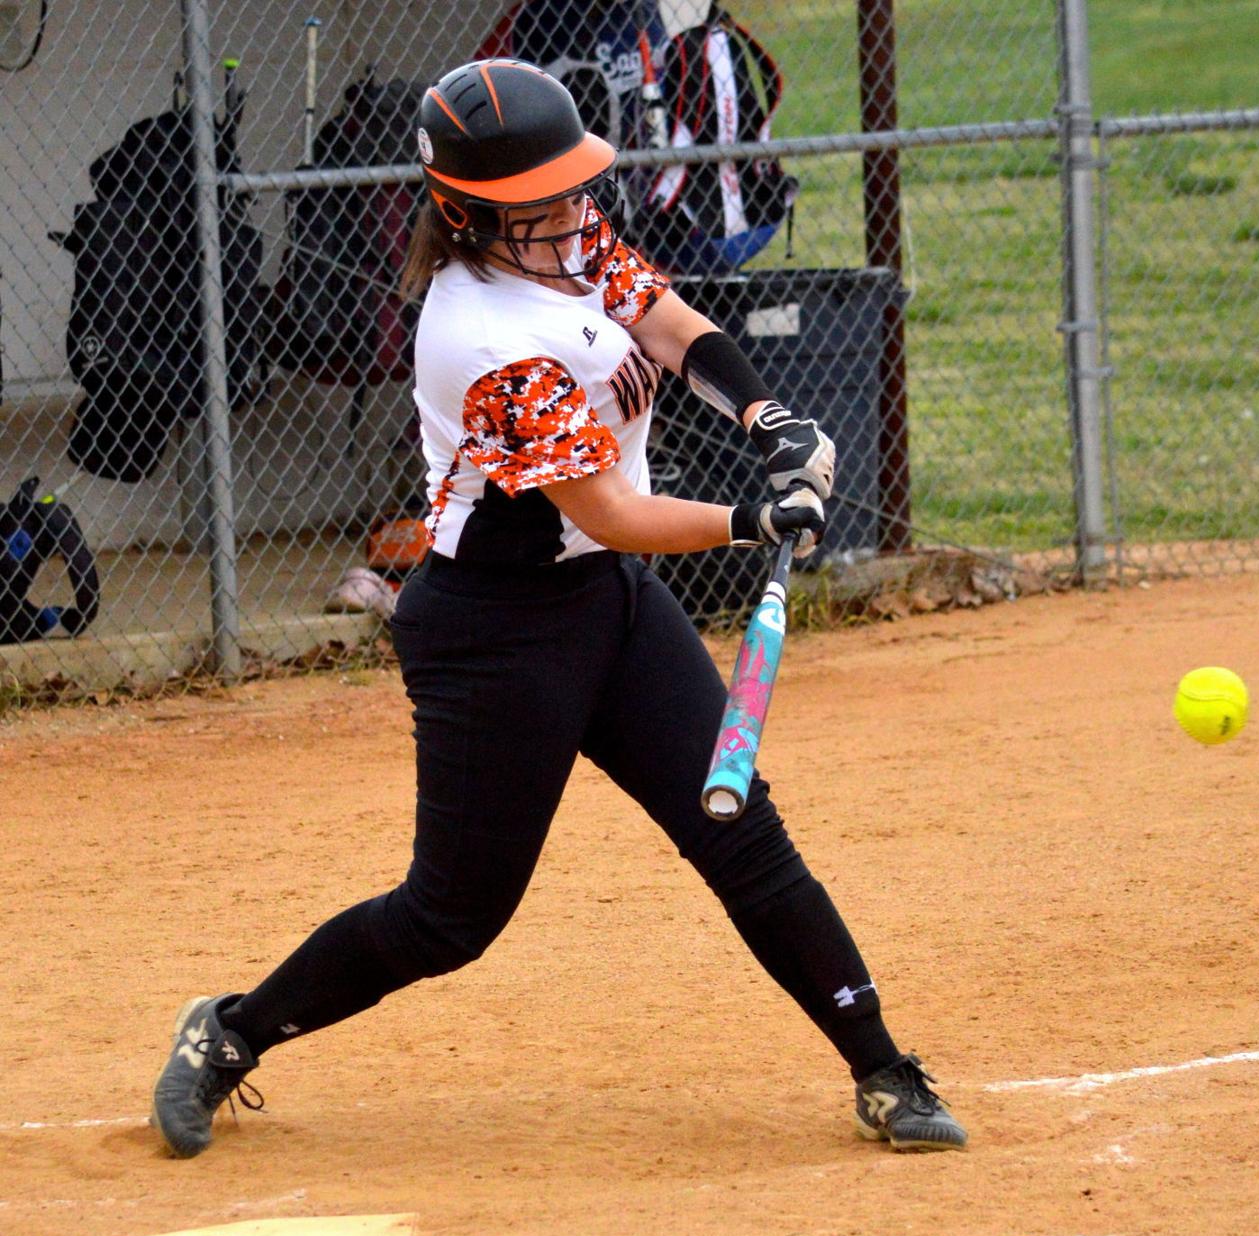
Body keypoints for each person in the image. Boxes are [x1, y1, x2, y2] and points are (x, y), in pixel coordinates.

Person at [149, 59, 966, 1159]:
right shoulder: (483, 341)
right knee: (450, 919)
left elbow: (668, 325)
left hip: (607, 600)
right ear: (471, 217)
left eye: (571, 188)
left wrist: (767, 417)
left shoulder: (565, 245)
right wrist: (752, 519)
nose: (576, 213)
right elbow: (616, 508)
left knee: (740, 834)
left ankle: (882, 1069)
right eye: (540, 201)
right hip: (494, 633)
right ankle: (230, 1032)